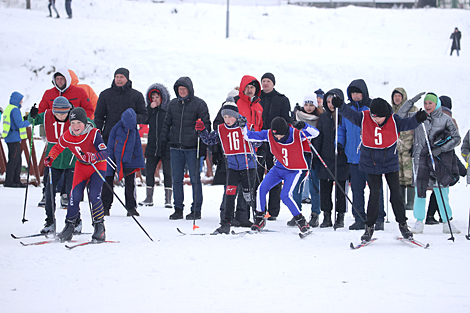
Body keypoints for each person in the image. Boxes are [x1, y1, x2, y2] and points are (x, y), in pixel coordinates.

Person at [334, 96, 427, 241]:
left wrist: (418, 118)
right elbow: (350, 115)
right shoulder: (364, 118)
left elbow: (408, 123)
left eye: (379, 118)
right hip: (371, 162)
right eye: (374, 117)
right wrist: (340, 105)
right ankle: (369, 226)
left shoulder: (394, 120)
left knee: (396, 194)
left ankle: (403, 224)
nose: (376, 120)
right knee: (374, 194)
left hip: (389, 161)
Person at [397, 92, 461, 234]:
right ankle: (419, 221)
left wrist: (442, 149)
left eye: (430, 103)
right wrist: (410, 102)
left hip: (439, 159)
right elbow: (399, 116)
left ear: (436, 104)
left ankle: (446, 222)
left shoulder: (445, 119)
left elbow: (456, 138)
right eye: (425, 103)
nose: (427, 106)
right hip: (420, 159)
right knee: (420, 191)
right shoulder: (419, 117)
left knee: (441, 189)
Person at [244, 116, 319, 233]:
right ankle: (259, 218)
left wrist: (304, 126)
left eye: (281, 136)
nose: (278, 138)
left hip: (294, 170)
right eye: (276, 136)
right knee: (261, 189)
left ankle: (301, 221)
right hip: (278, 168)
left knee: (285, 195)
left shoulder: (295, 133)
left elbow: (315, 133)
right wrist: (243, 126)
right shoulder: (269, 134)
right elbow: (248, 136)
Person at [45, 107, 108, 242]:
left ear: (85, 122)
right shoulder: (68, 136)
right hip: (81, 166)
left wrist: (92, 156)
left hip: (97, 166)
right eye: (72, 123)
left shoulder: (94, 133)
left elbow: (105, 153)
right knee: (74, 195)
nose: (75, 126)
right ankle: (69, 227)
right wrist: (51, 157)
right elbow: (57, 147)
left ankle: (99, 228)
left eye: (78, 122)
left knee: (94, 195)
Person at [196, 98, 257, 234]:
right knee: (229, 194)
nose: (227, 119)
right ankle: (226, 223)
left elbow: (256, 141)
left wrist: (246, 129)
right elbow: (210, 140)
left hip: (248, 166)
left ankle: (258, 218)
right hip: (232, 167)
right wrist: (202, 132)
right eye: (224, 116)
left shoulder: (244, 125)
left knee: (248, 194)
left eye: (230, 117)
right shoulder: (221, 129)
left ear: (235, 116)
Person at [94, 67, 148, 216]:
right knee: (107, 174)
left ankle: (131, 207)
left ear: (127, 78)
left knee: (129, 174)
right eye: (117, 77)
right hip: (109, 139)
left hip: (129, 139)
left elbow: (144, 115)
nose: (119, 79)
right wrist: (96, 132)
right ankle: (105, 206)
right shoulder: (105, 95)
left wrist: (133, 119)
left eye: (121, 77)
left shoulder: (136, 95)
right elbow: (99, 116)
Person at [28, 97, 83, 234]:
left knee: (72, 192)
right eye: (57, 114)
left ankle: (76, 221)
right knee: (49, 191)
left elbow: (90, 124)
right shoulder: (47, 115)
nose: (60, 116)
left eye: (63, 113)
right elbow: (32, 121)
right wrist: (32, 114)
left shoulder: (74, 116)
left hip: (71, 159)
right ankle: (50, 222)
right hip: (53, 159)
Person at [337, 79, 386, 230]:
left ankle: (378, 218)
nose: (355, 95)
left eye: (358, 92)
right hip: (352, 156)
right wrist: (339, 143)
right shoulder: (347, 110)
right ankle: (359, 217)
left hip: (371, 157)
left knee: (375, 188)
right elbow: (342, 129)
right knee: (357, 189)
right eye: (353, 93)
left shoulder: (371, 108)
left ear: (364, 93)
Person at [160, 76, 211, 220]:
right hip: (175, 147)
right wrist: (163, 141)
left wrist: (203, 146)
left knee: (195, 180)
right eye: (179, 89)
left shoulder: (199, 104)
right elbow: (166, 124)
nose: (182, 91)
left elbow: (206, 125)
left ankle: (196, 209)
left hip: (193, 148)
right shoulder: (172, 104)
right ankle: (178, 208)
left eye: (184, 89)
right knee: (176, 179)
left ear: (190, 89)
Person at [425, 95, 464, 224]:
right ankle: (443, 216)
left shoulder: (433, 117)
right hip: (445, 158)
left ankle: (433, 216)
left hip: (434, 156)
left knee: (438, 188)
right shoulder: (449, 119)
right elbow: (456, 140)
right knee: (442, 187)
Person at [258, 72, 291, 220]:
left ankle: (273, 210)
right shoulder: (256, 99)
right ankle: (258, 208)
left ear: (273, 83)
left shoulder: (282, 100)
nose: (265, 83)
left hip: (275, 143)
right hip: (259, 142)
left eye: (268, 81)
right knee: (257, 176)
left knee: (275, 176)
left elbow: (286, 121)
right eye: (263, 81)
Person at [314, 89, 349, 229]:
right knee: (325, 189)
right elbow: (319, 137)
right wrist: (316, 154)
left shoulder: (344, 116)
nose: (330, 105)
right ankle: (327, 216)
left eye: (333, 101)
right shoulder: (323, 117)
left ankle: (340, 216)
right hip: (325, 157)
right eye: (327, 102)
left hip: (340, 158)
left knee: (340, 189)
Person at [289, 93, 323, 227]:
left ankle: (315, 214)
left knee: (314, 185)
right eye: (306, 104)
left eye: (311, 105)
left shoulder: (319, 117)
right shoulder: (297, 116)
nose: (308, 108)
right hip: (299, 154)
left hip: (313, 154)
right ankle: (297, 213)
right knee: (297, 184)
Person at [139, 83, 172, 208]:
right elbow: (144, 119)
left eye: (157, 97)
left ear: (162, 98)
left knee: (168, 172)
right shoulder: (151, 111)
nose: (155, 100)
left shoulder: (168, 111)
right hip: (152, 145)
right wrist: (150, 108)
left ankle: (168, 199)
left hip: (166, 145)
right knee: (149, 170)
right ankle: (149, 197)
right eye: (152, 98)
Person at [106, 108, 145, 216]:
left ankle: (131, 208)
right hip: (114, 159)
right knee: (107, 180)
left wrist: (138, 162)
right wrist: (110, 158)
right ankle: (105, 207)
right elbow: (110, 145)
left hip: (129, 160)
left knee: (130, 184)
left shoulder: (134, 130)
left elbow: (137, 147)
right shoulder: (116, 129)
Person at [390, 88, 417, 212]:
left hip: (409, 148)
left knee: (409, 175)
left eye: (399, 96)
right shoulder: (389, 111)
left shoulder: (412, 111)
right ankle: (401, 200)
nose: (397, 98)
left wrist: (416, 146)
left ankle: (411, 202)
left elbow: (418, 130)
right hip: (396, 149)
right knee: (398, 176)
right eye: (395, 96)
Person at [2, 92, 30, 188]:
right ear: (17, 100)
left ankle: (15, 180)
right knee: (14, 160)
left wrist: (25, 119)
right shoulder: (15, 109)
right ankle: (10, 181)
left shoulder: (9, 108)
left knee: (16, 159)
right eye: (21, 100)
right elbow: (19, 124)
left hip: (10, 137)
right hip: (13, 137)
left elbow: (15, 121)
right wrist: (29, 120)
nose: (22, 102)